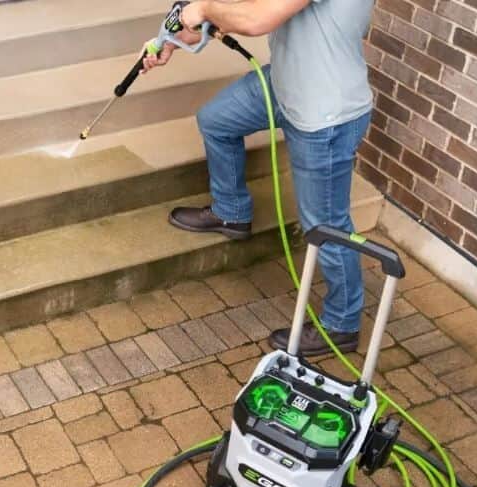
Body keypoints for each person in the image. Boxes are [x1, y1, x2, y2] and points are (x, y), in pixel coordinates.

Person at [143, 0, 374, 356]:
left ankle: (342, 325)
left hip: (325, 113)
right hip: (284, 85)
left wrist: (204, 8)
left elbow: (257, 19)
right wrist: (175, 38)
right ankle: (232, 212)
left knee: (326, 225)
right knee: (217, 121)